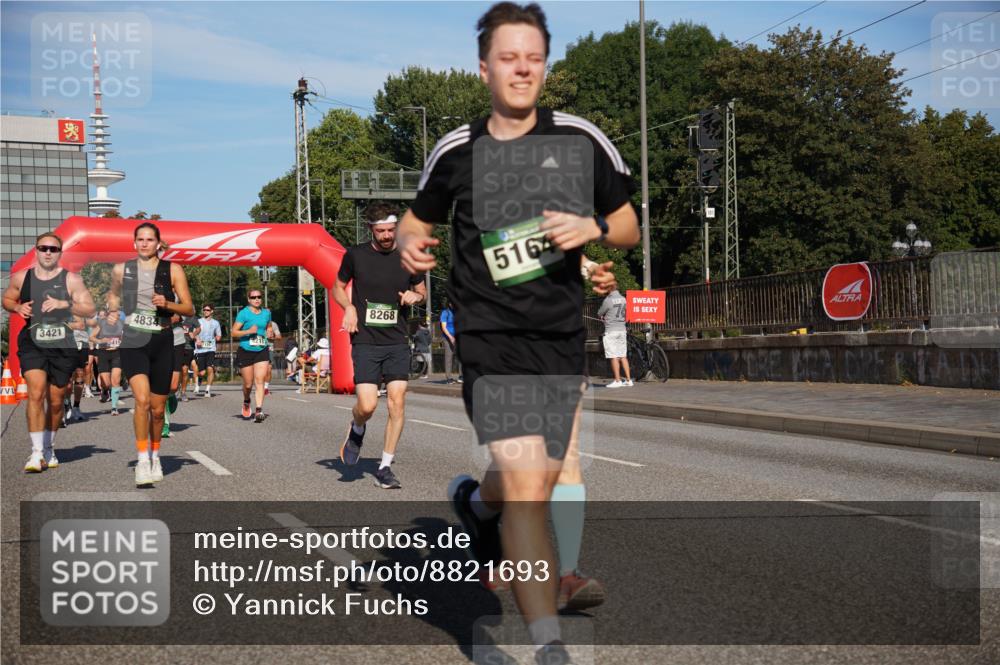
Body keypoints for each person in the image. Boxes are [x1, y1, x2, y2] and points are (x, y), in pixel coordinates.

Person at [397, 3, 639, 660]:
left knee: (530, 477)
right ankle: (548, 645)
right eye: (509, 56)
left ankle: (477, 504)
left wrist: (593, 229)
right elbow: (415, 224)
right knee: (531, 485)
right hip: (487, 335)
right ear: (485, 69)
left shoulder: (582, 140)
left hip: (560, 339)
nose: (522, 66)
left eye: (532, 55)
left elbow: (628, 225)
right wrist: (412, 250)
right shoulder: (458, 150)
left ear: (545, 65)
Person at [333, 202, 426, 490]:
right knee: (368, 405)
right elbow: (337, 286)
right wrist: (348, 307)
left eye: (391, 230)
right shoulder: (355, 255)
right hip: (365, 340)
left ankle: (385, 466)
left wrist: (415, 297)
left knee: (397, 401)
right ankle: (357, 428)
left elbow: (421, 289)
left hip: (397, 340)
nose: (387, 236)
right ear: (371, 229)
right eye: (381, 231)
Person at [107, 222, 194, 486]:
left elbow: (189, 307)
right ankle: (142, 460)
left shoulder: (173, 269)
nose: (144, 244)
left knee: (157, 411)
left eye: (149, 239)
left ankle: (156, 455)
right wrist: (112, 309)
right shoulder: (122, 270)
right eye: (140, 239)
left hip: (163, 338)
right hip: (134, 338)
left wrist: (167, 303)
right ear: (134, 243)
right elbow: (113, 296)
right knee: (141, 401)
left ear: (158, 243)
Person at [2, 232, 96, 472]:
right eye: (43, 248)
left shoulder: (71, 279)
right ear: (36, 250)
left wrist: (64, 304)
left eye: (53, 249)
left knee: (55, 401)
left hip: (62, 343)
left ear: (59, 253)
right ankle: (35, 453)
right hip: (33, 340)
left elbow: (89, 308)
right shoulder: (22, 277)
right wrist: (17, 306)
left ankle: (49, 447)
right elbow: (7, 299)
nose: (47, 252)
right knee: (35, 393)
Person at [232, 288, 277, 423]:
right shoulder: (243, 314)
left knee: (260, 380)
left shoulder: (266, 313)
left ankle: (258, 410)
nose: (257, 299)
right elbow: (233, 332)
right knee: (248, 384)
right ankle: (246, 400)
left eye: (259, 297)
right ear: (248, 300)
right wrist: (248, 331)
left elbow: (268, 326)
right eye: (253, 297)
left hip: (262, 349)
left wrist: (270, 333)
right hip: (245, 350)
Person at [91, 308, 124, 415]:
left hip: (117, 353)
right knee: (106, 383)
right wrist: (100, 341)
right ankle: (105, 390)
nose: (116, 317)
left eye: (117, 315)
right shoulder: (101, 324)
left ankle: (114, 407)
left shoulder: (122, 325)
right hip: (103, 353)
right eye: (113, 315)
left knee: (115, 381)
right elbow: (91, 337)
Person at [598, 287, 631, 387]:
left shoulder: (608, 300)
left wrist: (603, 318)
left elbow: (600, 313)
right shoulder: (623, 299)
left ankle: (617, 381)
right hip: (622, 330)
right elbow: (627, 314)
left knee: (613, 356)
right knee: (622, 356)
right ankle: (629, 380)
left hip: (611, 331)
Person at [193, 303, 221, 396]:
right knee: (202, 372)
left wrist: (217, 337)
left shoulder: (216, 323)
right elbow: (194, 333)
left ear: (212, 311)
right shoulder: (198, 321)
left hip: (211, 349)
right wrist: (197, 339)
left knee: (210, 368)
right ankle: (200, 378)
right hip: (200, 349)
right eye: (204, 310)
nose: (205, 311)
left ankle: (207, 390)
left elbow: (219, 335)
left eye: (207, 310)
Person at [439, 300, 461, 383]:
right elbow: (444, 328)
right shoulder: (445, 313)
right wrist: (451, 337)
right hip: (448, 337)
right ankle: (449, 378)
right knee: (449, 357)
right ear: (449, 303)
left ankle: (461, 376)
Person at [264, 317, 281, 395]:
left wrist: (272, 337)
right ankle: (259, 386)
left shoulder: (273, 324)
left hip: (269, 349)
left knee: (269, 370)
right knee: (259, 370)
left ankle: (265, 388)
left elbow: (279, 336)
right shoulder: (257, 322)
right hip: (258, 348)